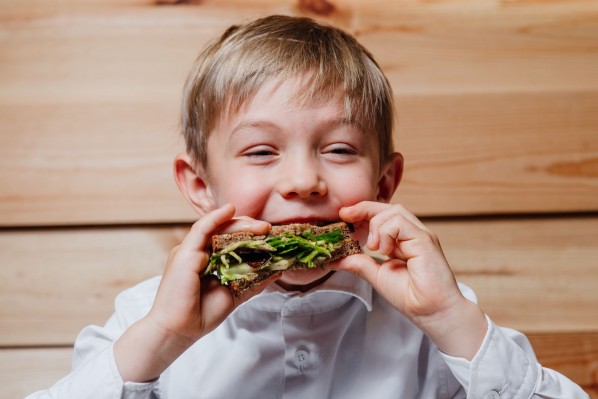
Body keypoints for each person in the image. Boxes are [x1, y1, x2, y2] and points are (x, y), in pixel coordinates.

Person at [28, 15, 587, 399]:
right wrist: (164, 338)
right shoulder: (143, 317)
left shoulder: (438, 319)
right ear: (200, 185)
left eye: (339, 149)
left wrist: (452, 322)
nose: (303, 180)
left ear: (385, 181)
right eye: (261, 151)